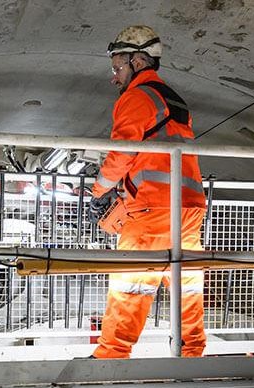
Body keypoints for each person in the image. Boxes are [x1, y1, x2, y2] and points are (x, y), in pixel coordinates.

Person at [88, 25, 208, 359]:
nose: (115, 77)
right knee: (186, 284)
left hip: (153, 209)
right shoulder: (172, 99)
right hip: (189, 208)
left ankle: (110, 360)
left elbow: (122, 152)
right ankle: (193, 357)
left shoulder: (137, 97)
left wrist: (100, 190)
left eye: (118, 67)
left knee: (132, 284)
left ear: (138, 61)